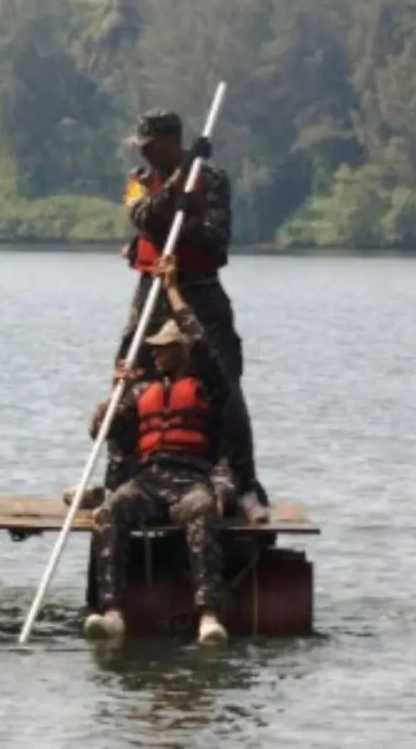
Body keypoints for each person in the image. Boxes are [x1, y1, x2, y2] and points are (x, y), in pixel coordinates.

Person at [118, 110, 266, 520]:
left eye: (151, 145)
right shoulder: (138, 181)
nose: (145, 153)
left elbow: (217, 241)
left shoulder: (212, 178)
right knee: (129, 378)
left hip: (199, 289)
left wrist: (187, 218)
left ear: (170, 141)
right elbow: (145, 219)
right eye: (141, 146)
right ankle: (126, 477)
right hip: (151, 293)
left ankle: (244, 482)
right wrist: (175, 190)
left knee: (226, 384)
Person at [85, 255, 230, 644]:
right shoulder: (141, 391)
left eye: (163, 348)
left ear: (179, 351)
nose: (155, 354)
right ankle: (112, 611)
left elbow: (202, 342)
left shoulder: (205, 385)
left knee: (202, 510)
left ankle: (209, 616)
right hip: (149, 480)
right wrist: (114, 392)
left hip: (190, 477)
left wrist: (172, 291)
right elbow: (100, 430)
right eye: (154, 348)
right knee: (113, 509)